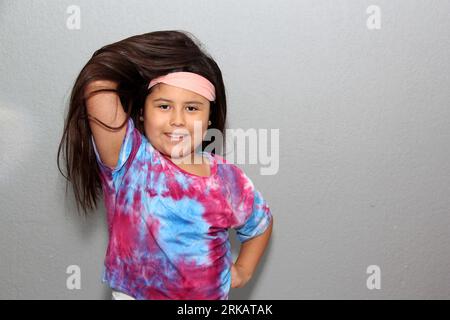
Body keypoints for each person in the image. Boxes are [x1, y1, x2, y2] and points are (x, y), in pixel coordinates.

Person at [57, 30, 273, 300]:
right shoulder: (130, 160)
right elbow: (98, 77)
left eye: (192, 108)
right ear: (141, 112)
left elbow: (260, 224)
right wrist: (167, 52)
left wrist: (243, 270)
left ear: (208, 120)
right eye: (164, 106)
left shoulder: (227, 178)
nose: (178, 120)